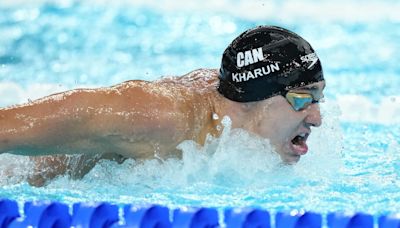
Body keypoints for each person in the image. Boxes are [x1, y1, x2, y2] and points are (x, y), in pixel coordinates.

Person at [0, 25, 325, 186]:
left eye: (318, 97)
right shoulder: (159, 116)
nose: (317, 118)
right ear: (255, 97)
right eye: (302, 99)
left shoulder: (233, 113)